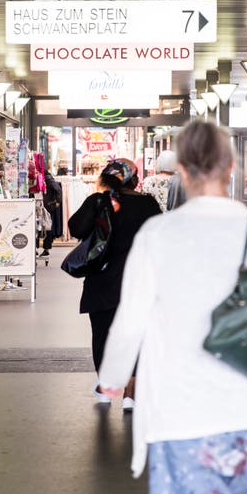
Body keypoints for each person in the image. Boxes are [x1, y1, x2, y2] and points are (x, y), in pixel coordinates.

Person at [97, 121, 247, 494]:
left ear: (181, 169)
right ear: (231, 166)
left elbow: (131, 320)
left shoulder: (158, 233)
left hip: (181, 399)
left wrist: (113, 378)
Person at [68, 158, 160, 412]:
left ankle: (107, 387)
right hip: (139, 281)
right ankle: (131, 393)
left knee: (103, 335)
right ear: (135, 180)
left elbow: (75, 229)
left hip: (103, 282)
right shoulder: (147, 204)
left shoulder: (97, 201)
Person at [39, 168, 63, 256]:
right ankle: (45, 248)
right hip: (46, 205)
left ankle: (46, 248)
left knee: (48, 227)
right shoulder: (46, 178)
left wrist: (57, 201)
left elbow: (58, 189)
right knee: (46, 227)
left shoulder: (48, 179)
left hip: (48, 206)